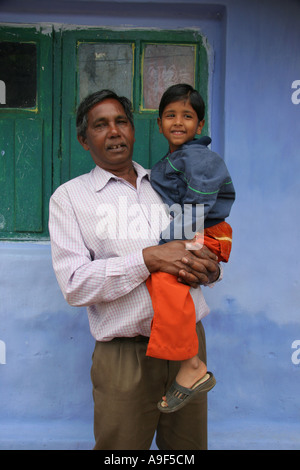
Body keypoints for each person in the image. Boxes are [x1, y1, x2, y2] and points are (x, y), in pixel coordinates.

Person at [49, 89, 221, 450]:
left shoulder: (169, 182)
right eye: (100, 125)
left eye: (121, 122)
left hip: (188, 348)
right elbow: (75, 285)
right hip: (124, 358)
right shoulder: (69, 199)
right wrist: (148, 259)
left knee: (189, 451)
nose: (114, 131)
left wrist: (209, 269)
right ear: (84, 140)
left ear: (134, 130)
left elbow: (199, 245)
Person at [145, 84, 235, 413]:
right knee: (174, 282)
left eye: (188, 116)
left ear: (200, 125)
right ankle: (189, 361)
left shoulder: (200, 157)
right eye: (170, 115)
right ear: (158, 124)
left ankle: (192, 364)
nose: (178, 121)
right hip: (195, 228)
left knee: (166, 280)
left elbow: (197, 203)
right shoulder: (176, 158)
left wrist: (172, 243)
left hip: (204, 230)